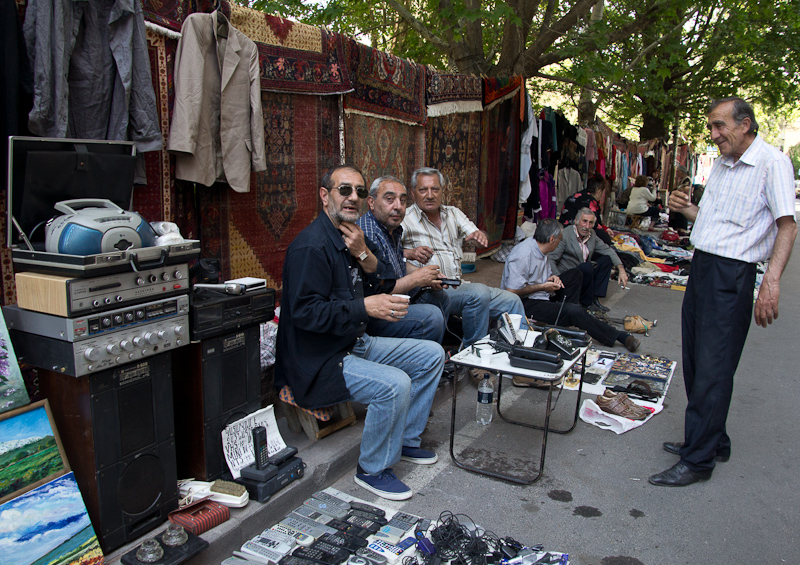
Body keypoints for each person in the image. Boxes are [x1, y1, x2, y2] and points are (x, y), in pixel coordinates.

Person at [649, 97, 796, 487]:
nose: (714, 135)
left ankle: (698, 461)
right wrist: (688, 209)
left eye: (719, 126)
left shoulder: (772, 163)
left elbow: (787, 225)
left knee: (714, 365)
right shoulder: (724, 166)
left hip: (732, 274)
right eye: (712, 127)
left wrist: (772, 280)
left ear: (745, 124)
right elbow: (717, 221)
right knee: (698, 358)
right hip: (704, 266)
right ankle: (713, 440)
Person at [275, 165, 445, 500]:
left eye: (359, 191)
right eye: (344, 190)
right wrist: (364, 308)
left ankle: (407, 440)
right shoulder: (312, 246)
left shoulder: (350, 236)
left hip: (352, 342)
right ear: (325, 196)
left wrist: (364, 253)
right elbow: (304, 314)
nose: (353, 197)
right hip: (320, 359)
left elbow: (381, 280)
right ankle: (372, 469)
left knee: (432, 355)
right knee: (395, 385)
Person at [401, 167, 526, 346]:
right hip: (430, 290)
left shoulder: (453, 213)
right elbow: (389, 254)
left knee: (511, 301)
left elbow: (475, 234)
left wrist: (479, 237)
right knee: (478, 293)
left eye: (435, 189)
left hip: (458, 285)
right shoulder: (405, 219)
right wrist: (410, 252)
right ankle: (473, 357)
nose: (430, 195)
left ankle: (521, 352)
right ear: (414, 193)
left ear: (442, 191)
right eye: (423, 190)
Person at [501, 218, 640, 354]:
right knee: (574, 311)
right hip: (523, 303)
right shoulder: (523, 254)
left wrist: (553, 278)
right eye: (559, 239)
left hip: (542, 293)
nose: (560, 241)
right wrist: (543, 287)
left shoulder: (541, 247)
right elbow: (512, 291)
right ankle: (618, 336)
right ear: (551, 239)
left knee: (575, 275)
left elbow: (542, 274)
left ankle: (564, 323)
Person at [357, 175, 447, 342]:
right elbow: (382, 288)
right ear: (371, 202)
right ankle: (416, 359)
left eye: (403, 201)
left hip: (398, 297)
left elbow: (398, 266)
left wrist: (427, 276)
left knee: (441, 298)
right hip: (377, 313)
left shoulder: (392, 228)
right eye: (389, 199)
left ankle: (432, 351)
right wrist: (416, 279)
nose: (398, 206)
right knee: (431, 316)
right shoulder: (368, 234)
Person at [547, 208, 629, 312]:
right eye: (584, 221)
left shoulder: (592, 235)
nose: (587, 226)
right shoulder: (566, 235)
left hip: (584, 273)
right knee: (587, 266)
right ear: (576, 221)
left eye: (590, 223)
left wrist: (621, 269)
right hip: (568, 276)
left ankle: (594, 298)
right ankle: (586, 303)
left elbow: (607, 250)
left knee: (606, 260)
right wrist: (557, 279)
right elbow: (551, 259)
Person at [559, 175, 615, 244]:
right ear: (599, 192)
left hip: (562, 231)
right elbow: (595, 226)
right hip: (573, 236)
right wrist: (606, 235)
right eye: (603, 193)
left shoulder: (577, 195)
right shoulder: (591, 202)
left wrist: (605, 229)